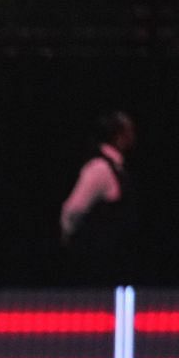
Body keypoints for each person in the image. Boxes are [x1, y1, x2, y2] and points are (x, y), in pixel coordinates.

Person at [58, 110, 137, 284]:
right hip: (97, 264)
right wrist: (73, 240)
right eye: (129, 131)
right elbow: (73, 210)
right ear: (119, 135)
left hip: (114, 259)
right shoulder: (99, 168)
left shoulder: (118, 168)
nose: (133, 136)